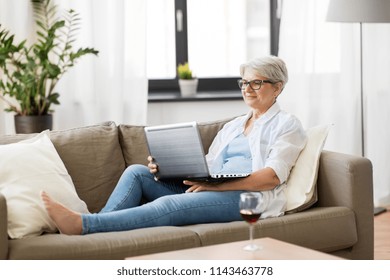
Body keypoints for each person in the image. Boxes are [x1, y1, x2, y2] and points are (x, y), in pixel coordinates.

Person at [41, 56, 307, 235]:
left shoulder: (287, 125)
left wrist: (218, 185)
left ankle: (85, 225)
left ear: (277, 88)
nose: (248, 89)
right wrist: (169, 169)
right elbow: (208, 165)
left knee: (170, 204)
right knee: (137, 173)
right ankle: (97, 231)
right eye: (245, 83)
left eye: (256, 83)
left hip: (250, 199)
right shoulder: (234, 126)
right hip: (211, 187)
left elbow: (271, 177)